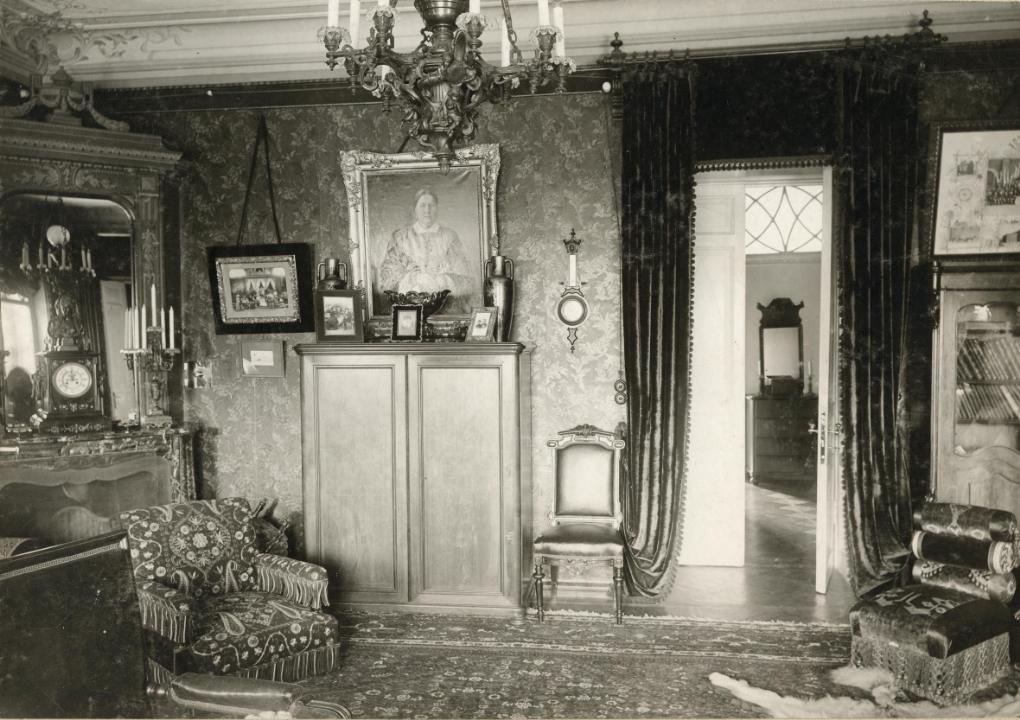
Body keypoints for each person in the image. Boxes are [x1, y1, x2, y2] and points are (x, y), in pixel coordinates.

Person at [378, 187, 475, 314]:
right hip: (409, 310)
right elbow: (387, 276)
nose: (427, 210)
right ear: (415, 209)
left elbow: (466, 276)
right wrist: (417, 278)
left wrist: (443, 280)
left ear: (437, 208)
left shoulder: (450, 236)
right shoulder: (400, 237)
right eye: (422, 205)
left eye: (432, 205)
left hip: (445, 308)